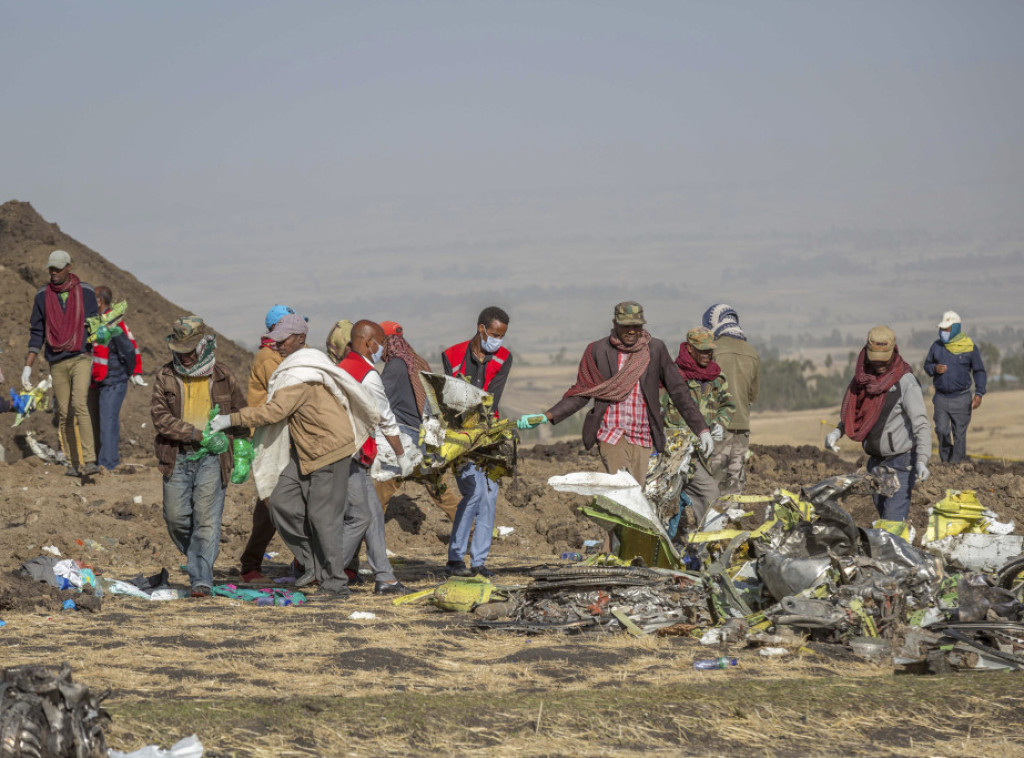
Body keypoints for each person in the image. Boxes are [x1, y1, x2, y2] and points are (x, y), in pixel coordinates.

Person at [212, 314, 378, 599]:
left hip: (328, 450)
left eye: (284, 340)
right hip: (305, 450)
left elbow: (274, 411)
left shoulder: (302, 373)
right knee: (280, 502)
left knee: (323, 517)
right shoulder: (296, 368)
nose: (277, 346)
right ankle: (313, 564)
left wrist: (231, 419)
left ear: (300, 338)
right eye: (275, 341)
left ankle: (335, 583)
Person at [520, 301, 712, 487]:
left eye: (636, 326)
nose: (631, 331)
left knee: (638, 492)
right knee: (623, 488)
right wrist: (547, 416)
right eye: (626, 326)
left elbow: (678, 390)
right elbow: (582, 392)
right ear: (615, 324)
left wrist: (701, 429)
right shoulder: (598, 350)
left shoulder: (655, 349)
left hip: (643, 434)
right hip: (610, 433)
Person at [151, 316, 246, 597]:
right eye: (180, 352)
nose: (186, 357)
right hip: (177, 456)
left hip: (213, 460)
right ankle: (197, 557)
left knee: (206, 519)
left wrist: (242, 450)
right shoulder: (165, 377)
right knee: (176, 517)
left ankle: (201, 579)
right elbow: (160, 417)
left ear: (204, 345)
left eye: (190, 351)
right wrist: (196, 435)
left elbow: (240, 414)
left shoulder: (223, 376)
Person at [336, 320, 415, 595]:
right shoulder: (368, 376)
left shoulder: (342, 368)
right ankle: (328, 574)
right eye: (379, 343)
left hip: (346, 452)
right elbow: (386, 419)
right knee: (359, 517)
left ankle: (385, 577)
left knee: (374, 517)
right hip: (349, 454)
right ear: (370, 343)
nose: (381, 349)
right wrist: (402, 455)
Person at [825, 326, 931, 522]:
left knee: (892, 523)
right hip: (875, 464)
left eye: (884, 360)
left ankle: (896, 549)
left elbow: (921, 424)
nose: (880, 365)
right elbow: (854, 414)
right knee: (884, 518)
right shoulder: (863, 380)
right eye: (875, 360)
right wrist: (837, 432)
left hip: (900, 462)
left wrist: (922, 459)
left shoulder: (905, 382)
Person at [441, 306, 514, 577]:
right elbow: (452, 396)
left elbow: (492, 397)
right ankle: (456, 558)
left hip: (488, 434)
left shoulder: (504, 358)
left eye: (502, 335)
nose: (497, 341)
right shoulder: (452, 355)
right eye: (494, 334)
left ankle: (479, 561)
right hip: (460, 434)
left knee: (490, 496)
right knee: (473, 493)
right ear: (481, 328)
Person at [24, 250, 100, 476]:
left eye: (58, 268)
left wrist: (96, 333)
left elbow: (95, 323)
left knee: (79, 404)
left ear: (69, 267)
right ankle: (72, 463)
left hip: (81, 357)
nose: (54, 273)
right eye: (51, 269)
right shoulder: (42, 296)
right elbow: (37, 332)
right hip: (56, 360)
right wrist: (28, 365)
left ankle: (89, 460)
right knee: (65, 413)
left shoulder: (85, 292)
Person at [238, 305, 300, 583]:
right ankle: (251, 564)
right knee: (271, 503)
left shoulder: (278, 355)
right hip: (271, 438)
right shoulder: (269, 359)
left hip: (284, 436)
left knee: (286, 500)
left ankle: (302, 562)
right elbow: (285, 392)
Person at [662, 327, 735, 527]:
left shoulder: (717, 377)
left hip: (701, 455)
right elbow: (657, 410)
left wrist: (720, 422)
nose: (707, 354)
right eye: (702, 350)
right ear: (690, 349)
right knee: (666, 501)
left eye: (710, 350)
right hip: (673, 455)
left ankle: (708, 546)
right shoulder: (672, 376)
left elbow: (728, 405)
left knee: (711, 495)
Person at [702, 303, 760, 494]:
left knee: (714, 482)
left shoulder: (712, 351)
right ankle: (731, 521)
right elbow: (753, 396)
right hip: (742, 427)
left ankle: (712, 522)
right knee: (735, 483)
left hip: (716, 426)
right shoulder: (752, 352)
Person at [89, 285, 145, 471]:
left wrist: (131, 372)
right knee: (103, 422)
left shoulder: (113, 323)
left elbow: (128, 349)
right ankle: (102, 460)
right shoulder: (100, 321)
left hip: (114, 380)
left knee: (108, 422)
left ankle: (108, 464)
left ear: (100, 301)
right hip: (103, 381)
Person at [923, 311, 987, 464]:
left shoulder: (969, 347)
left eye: (947, 329)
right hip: (941, 398)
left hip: (962, 397)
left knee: (959, 434)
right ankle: (946, 461)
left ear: (956, 328)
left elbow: (979, 371)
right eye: (942, 329)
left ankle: (956, 465)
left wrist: (979, 393)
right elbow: (927, 365)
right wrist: (934, 369)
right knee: (942, 430)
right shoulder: (936, 346)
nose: (943, 332)